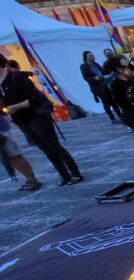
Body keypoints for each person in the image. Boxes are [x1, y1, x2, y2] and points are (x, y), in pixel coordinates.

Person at [0, 54, 83, 186]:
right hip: (20, 120)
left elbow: (36, 98)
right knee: (44, 148)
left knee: (54, 146)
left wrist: (16, 107)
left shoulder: (16, 77)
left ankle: (75, 173)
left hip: (35, 116)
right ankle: (64, 175)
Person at [0, 114, 42, 191]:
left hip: (2, 130)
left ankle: (32, 179)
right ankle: (31, 179)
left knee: (14, 156)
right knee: (12, 157)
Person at [80, 51, 122, 124]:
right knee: (106, 103)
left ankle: (121, 117)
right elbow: (85, 77)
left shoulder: (96, 64)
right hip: (98, 88)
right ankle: (112, 118)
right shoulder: (84, 66)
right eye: (89, 55)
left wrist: (110, 74)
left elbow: (103, 72)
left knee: (113, 101)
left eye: (92, 54)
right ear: (86, 57)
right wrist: (94, 79)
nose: (92, 56)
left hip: (105, 84)